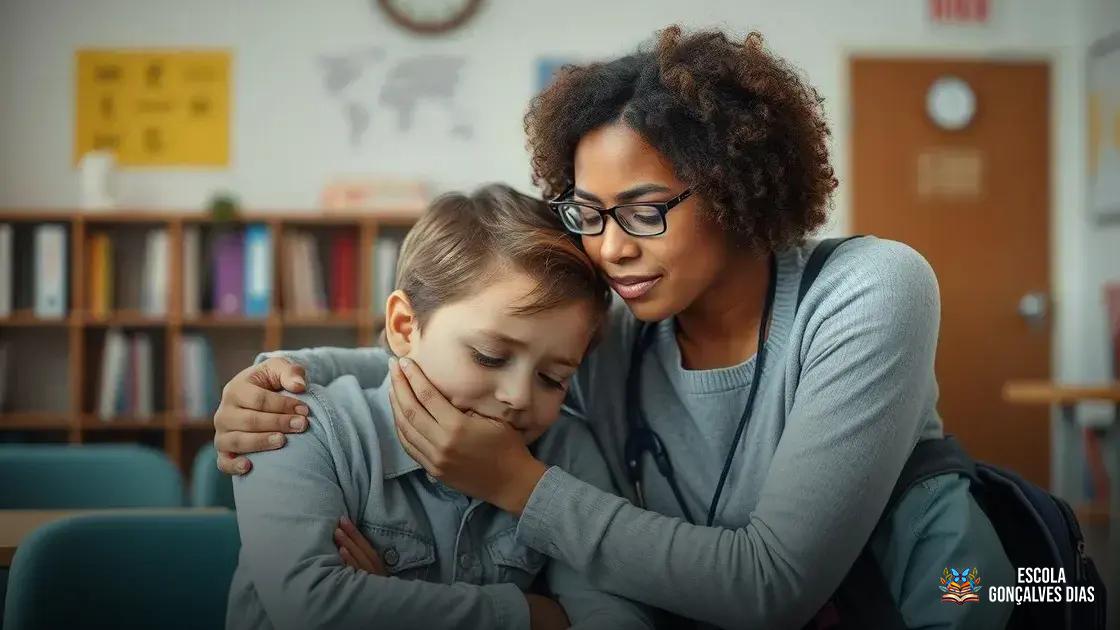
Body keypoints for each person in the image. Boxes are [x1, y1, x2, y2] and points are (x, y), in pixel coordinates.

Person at [216, 27, 1014, 629]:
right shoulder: (621, 325)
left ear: (734, 187)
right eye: (589, 213)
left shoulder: (870, 290)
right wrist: (285, 375)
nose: (609, 246)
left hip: (923, 601)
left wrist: (515, 484)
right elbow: (465, 345)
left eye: (641, 210)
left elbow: (773, 586)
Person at [226, 185, 654, 630]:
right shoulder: (292, 423)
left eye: (553, 378)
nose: (519, 396)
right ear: (404, 326)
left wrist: (385, 607)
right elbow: (312, 609)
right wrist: (533, 615)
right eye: (489, 356)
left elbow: (618, 620)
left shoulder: (565, 448)